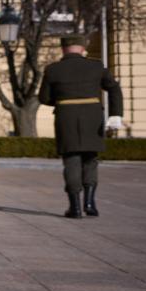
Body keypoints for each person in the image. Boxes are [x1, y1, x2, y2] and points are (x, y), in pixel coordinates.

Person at [38, 34, 123, 218]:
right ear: (83, 48)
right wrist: (116, 114)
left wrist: (63, 100)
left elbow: (43, 98)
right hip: (92, 116)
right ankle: (90, 203)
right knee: (90, 159)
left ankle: (75, 207)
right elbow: (114, 88)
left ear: (63, 49)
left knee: (71, 160)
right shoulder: (96, 66)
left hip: (66, 116)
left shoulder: (53, 69)